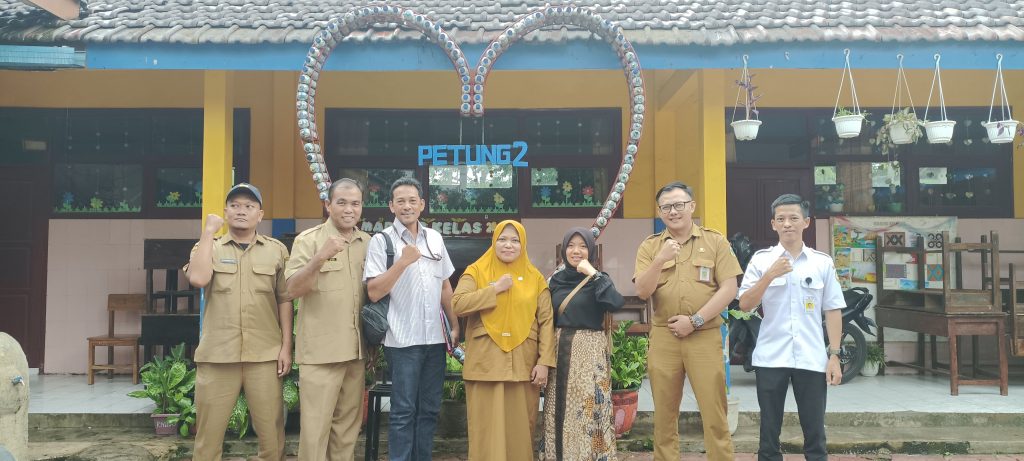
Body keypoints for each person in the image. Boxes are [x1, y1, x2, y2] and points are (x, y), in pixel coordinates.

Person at [633, 181, 741, 461]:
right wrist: (660, 260)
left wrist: (695, 321)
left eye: (679, 205)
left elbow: (729, 289)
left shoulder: (715, 241)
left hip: (703, 335)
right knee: (664, 414)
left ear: (692, 206)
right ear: (660, 212)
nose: (673, 211)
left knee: (714, 411)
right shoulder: (650, 246)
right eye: (666, 207)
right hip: (664, 337)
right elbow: (643, 291)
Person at [185, 183, 291, 461]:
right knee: (208, 438)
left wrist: (286, 347)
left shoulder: (276, 250)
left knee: (272, 437)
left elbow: (285, 299)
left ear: (260, 214)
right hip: (218, 356)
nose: (241, 211)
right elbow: (198, 279)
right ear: (226, 211)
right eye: (235, 205)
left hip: (264, 355)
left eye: (248, 206)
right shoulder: (208, 246)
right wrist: (208, 232)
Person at [737, 193, 845, 461]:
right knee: (768, 434)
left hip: (811, 357)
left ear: (806, 222)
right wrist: (769, 276)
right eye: (781, 219)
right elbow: (745, 305)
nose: (787, 224)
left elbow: (833, 309)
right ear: (773, 224)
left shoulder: (822, 262)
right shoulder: (761, 260)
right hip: (771, 356)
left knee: (815, 432)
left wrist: (834, 355)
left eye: (794, 218)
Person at [363, 177, 459, 461]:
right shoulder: (381, 241)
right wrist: (403, 262)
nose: (407, 206)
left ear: (422, 204)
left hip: (435, 340)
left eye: (412, 200)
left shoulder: (435, 238)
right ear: (391, 206)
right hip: (402, 341)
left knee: (429, 410)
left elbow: (445, 285)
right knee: (403, 411)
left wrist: (454, 325)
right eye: (400, 201)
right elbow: (374, 291)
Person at [452, 220, 555, 461]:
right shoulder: (476, 271)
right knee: (485, 431)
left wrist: (544, 362)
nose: (508, 245)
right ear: (494, 242)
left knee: (520, 431)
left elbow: (546, 321)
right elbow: (458, 304)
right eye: (503, 239)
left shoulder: (535, 278)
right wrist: (495, 289)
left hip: (523, 366)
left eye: (515, 240)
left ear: (523, 244)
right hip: (485, 365)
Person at [285, 178, 370, 461]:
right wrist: (320, 257)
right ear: (328, 205)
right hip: (321, 353)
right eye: (341, 202)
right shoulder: (308, 240)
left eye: (355, 203)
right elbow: (292, 289)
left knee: (347, 430)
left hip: (355, 351)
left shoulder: (367, 243)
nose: (349, 209)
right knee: (315, 430)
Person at [540, 227, 624, 461]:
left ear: (591, 251)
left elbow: (615, 303)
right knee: (557, 409)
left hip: (589, 354)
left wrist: (593, 274)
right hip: (558, 351)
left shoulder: (599, 280)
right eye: (571, 245)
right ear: (563, 250)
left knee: (587, 409)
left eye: (583, 246)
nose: (576, 251)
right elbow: (544, 318)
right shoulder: (554, 281)